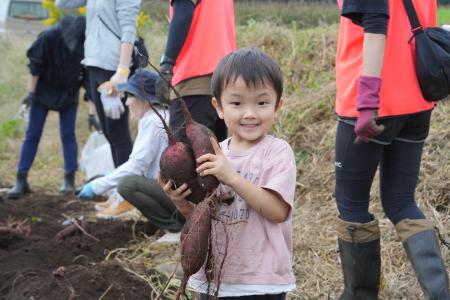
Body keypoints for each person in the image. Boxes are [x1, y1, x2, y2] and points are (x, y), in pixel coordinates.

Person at [334, 0, 449, 299]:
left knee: (352, 206)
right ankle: (441, 294)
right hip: (416, 99)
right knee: (401, 201)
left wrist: (368, 100)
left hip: (372, 103)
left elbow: (375, 24)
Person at [161, 48, 297, 299]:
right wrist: (181, 203)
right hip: (213, 278)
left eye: (262, 103)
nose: (249, 113)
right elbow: (202, 216)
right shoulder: (212, 154)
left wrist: (232, 177)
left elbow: (278, 212)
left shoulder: (277, 152)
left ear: (278, 106)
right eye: (236, 103)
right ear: (218, 107)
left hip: (260, 283)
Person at [77, 71, 184, 231]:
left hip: (175, 196)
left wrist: (98, 186)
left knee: (127, 185)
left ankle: (174, 228)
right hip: (177, 192)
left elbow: (137, 165)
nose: (127, 102)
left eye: (130, 96)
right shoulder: (161, 115)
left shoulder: (152, 121)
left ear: (145, 99)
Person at [7, 15, 86, 200]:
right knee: (33, 134)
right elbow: (35, 65)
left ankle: (69, 180)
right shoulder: (48, 37)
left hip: (68, 93)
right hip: (43, 92)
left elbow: (87, 74)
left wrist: (91, 113)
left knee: (68, 135)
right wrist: (30, 93)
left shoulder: (85, 40)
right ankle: (21, 179)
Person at [56, 0, 140, 168]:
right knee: (108, 132)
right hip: (93, 65)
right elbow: (61, 3)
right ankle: (120, 185)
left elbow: (129, 29)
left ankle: (126, 188)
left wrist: (122, 70)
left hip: (112, 68)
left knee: (117, 132)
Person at [155, 0, 236, 144]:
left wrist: (167, 64)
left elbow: (183, 14)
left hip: (193, 82)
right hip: (224, 80)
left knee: (184, 159)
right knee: (213, 157)